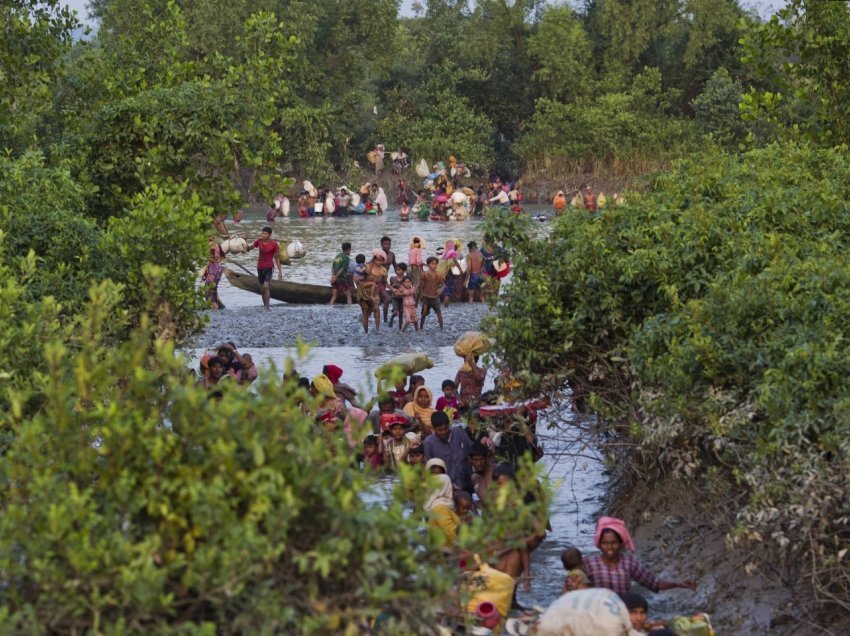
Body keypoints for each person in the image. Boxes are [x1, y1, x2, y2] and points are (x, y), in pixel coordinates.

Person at [583, 516, 698, 597]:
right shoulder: (589, 564)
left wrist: (678, 584)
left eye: (614, 543)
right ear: (599, 544)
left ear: (621, 544)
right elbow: (573, 587)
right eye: (605, 543)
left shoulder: (629, 563)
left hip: (623, 613)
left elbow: (653, 583)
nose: (609, 547)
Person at [423, 411, 473, 493]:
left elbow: (470, 451)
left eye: (445, 429)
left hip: (466, 482)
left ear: (449, 424)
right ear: (433, 428)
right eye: (440, 430)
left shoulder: (459, 432)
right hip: (446, 488)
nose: (443, 432)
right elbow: (430, 468)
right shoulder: (429, 443)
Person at [246, 226, 282, 309]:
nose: (263, 235)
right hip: (260, 267)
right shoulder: (259, 242)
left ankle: (267, 306)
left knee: (266, 286)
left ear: (270, 235)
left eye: (265, 234)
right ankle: (264, 305)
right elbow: (248, 249)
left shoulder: (274, 244)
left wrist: (280, 271)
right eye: (262, 233)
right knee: (262, 289)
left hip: (269, 267)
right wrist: (245, 240)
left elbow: (277, 258)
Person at [425, 472, 461, 547]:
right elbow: (450, 532)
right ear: (445, 487)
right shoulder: (440, 507)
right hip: (446, 553)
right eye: (450, 485)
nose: (453, 487)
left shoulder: (443, 505)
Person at [356, 249, 387, 334]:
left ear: (383, 261)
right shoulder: (368, 266)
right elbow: (359, 275)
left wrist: (392, 288)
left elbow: (384, 283)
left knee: (376, 309)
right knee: (365, 313)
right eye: (377, 260)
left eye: (381, 261)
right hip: (364, 293)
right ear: (374, 259)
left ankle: (377, 330)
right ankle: (366, 332)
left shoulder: (383, 271)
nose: (379, 262)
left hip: (375, 294)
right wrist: (357, 280)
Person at [419, 257, 445, 330]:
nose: (434, 265)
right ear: (428, 265)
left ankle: (442, 328)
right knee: (424, 312)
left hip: (435, 296)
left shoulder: (439, 274)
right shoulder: (425, 274)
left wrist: (441, 289)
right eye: (432, 264)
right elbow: (421, 284)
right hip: (426, 296)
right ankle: (420, 327)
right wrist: (420, 293)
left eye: (436, 264)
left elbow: (443, 284)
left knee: (438, 312)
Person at [387, 263, 407, 328]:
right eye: (396, 270)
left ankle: (400, 328)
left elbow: (409, 287)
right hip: (395, 298)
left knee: (401, 314)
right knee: (395, 312)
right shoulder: (393, 278)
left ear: (404, 271)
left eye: (399, 270)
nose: (397, 271)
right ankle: (391, 318)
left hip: (403, 298)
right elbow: (390, 287)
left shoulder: (406, 279)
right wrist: (394, 286)